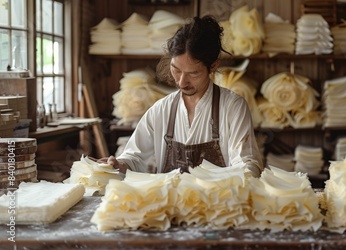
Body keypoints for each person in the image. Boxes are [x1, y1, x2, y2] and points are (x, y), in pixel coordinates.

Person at [101, 15, 264, 178]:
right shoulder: (161, 110)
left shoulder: (232, 107)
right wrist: (118, 164)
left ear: (213, 65)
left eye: (193, 73)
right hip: (169, 202)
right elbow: (134, 158)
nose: (181, 81)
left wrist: (246, 176)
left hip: (217, 202)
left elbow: (246, 162)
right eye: (176, 70)